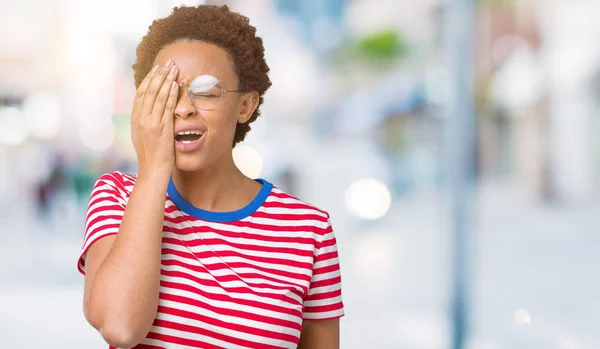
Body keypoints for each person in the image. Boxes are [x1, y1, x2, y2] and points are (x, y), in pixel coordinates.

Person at [77, 5, 344, 349]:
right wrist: (154, 170)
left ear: (245, 106)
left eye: (205, 92)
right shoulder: (117, 196)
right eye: (167, 91)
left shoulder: (309, 230)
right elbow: (120, 327)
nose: (182, 108)